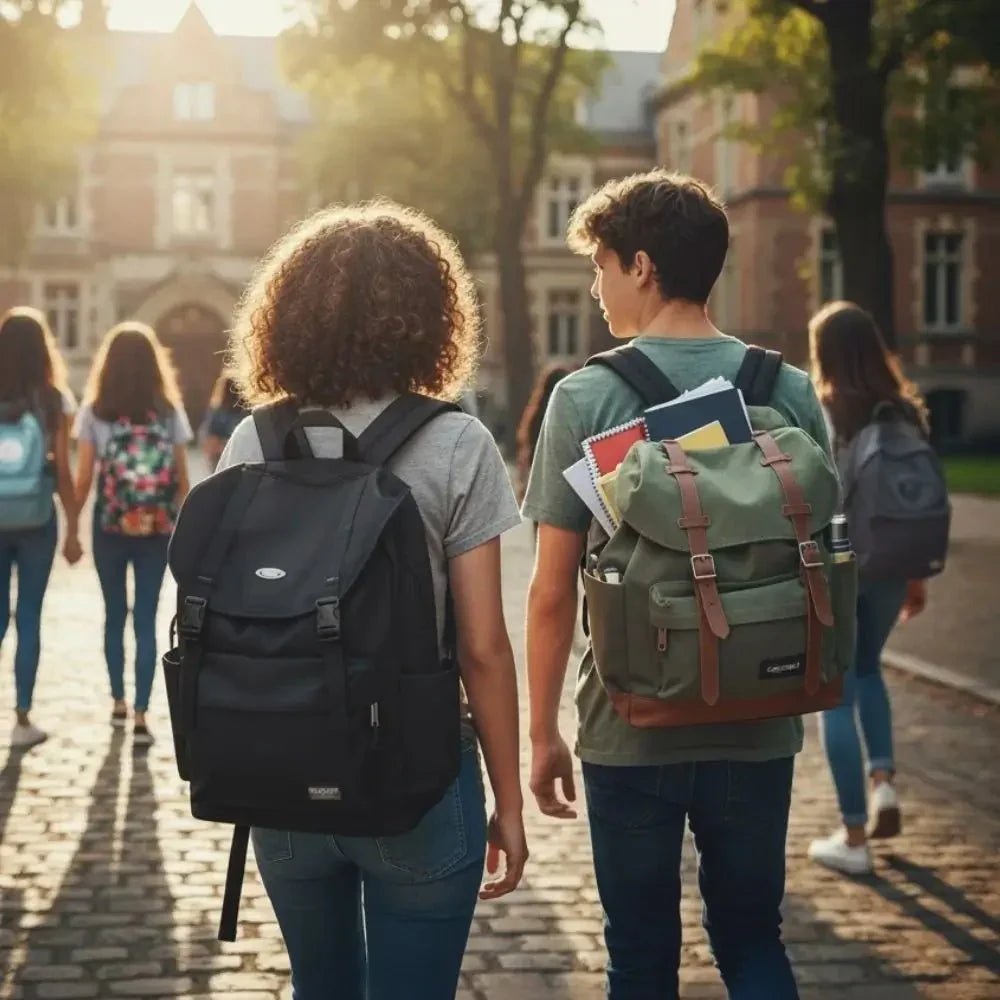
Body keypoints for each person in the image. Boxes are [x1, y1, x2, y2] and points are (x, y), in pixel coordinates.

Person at [522, 170, 834, 999]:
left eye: (602, 265)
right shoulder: (788, 389)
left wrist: (539, 730)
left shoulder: (586, 395)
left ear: (644, 267)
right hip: (759, 712)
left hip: (630, 721)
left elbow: (552, 590)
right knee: (753, 943)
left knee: (640, 955)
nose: (596, 285)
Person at [216, 201, 527, 998]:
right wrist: (508, 800)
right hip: (416, 779)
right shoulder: (457, 445)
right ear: (431, 318)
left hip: (281, 775)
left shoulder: (255, 441)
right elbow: (485, 648)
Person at [806, 301, 929, 875]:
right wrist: (915, 574)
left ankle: (854, 839)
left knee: (836, 691)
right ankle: (883, 780)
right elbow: (915, 498)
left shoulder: (822, 411)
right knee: (871, 669)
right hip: (891, 564)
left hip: (837, 565)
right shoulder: (905, 411)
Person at [73, 323, 192, 745]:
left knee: (114, 615)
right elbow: (182, 479)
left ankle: (118, 702)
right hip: (157, 529)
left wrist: (70, 528)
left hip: (110, 527)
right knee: (146, 619)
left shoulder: (96, 411)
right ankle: (143, 713)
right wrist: (185, 528)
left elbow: (85, 477)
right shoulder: (167, 410)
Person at [0, 307, 82, 749]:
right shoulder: (53, 399)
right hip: (36, 517)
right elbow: (64, 473)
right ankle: (22, 718)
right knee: (28, 615)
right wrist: (72, 529)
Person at [515, 365, 574, 504]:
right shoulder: (569, 414)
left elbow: (527, 450)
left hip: (539, 482)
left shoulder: (536, 416)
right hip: (564, 484)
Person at [200, 373, 246, 470]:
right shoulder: (246, 413)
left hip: (222, 461)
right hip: (234, 460)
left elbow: (209, 441)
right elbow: (210, 443)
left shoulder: (217, 412)